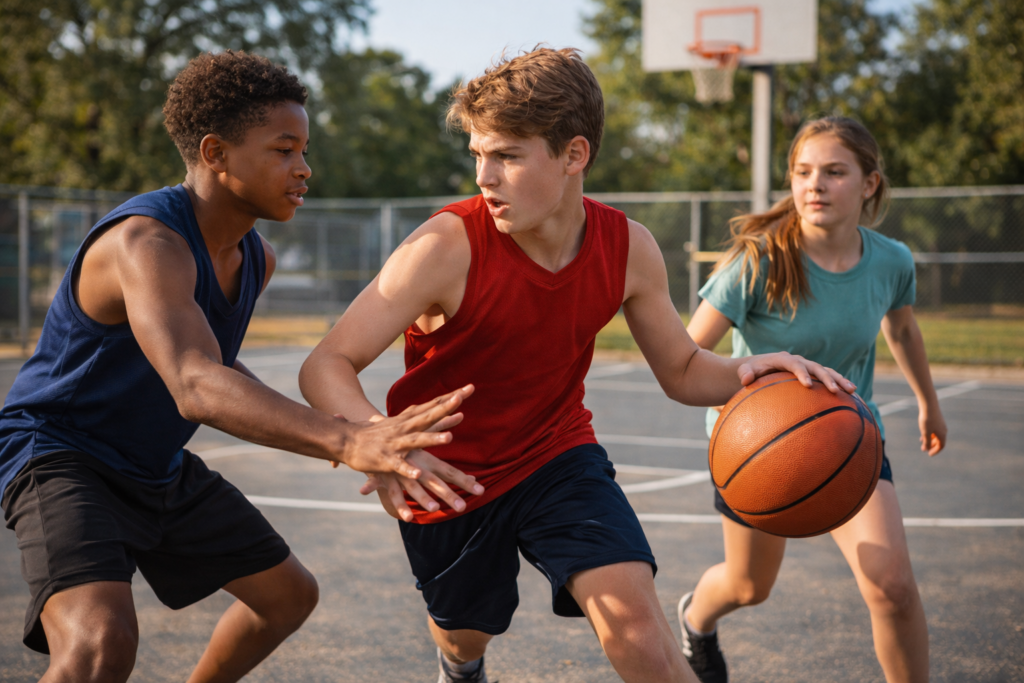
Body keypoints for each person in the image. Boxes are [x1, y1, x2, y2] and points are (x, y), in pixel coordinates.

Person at [298, 48, 854, 683]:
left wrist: (760, 370)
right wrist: (378, 440)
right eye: (478, 154)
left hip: (557, 456)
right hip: (446, 473)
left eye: (507, 155)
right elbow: (327, 364)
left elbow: (682, 371)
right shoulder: (442, 247)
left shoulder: (628, 248)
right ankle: (461, 666)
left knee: (635, 621)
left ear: (574, 155)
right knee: (464, 632)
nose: (485, 175)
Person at [0, 51, 480, 683]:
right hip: (61, 454)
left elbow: (222, 367)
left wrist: (347, 439)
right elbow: (195, 383)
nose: (304, 168)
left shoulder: (256, 256)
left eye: (304, 150)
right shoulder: (146, 244)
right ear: (216, 152)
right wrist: (348, 437)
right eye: (284, 150)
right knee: (99, 644)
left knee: (287, 597)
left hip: (153, 465)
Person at [675, 116, 946, 683]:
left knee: (893, 587)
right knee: (750, 586)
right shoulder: (759, 260)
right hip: (758, 444)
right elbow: (685, 354)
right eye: (802, 172)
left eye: (834, 172)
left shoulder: (891, 260)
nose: (814, 185)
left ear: (870, 184)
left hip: (849, 436)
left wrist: (928, 401)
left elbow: (902, 332)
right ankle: (697, 617)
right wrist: (755, 377)